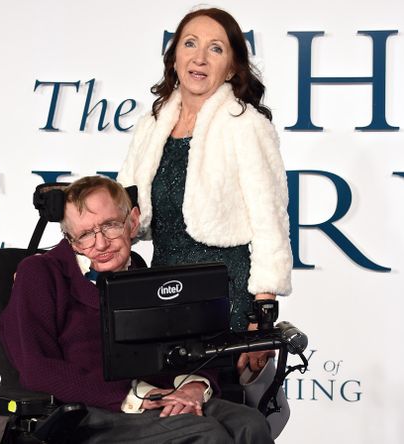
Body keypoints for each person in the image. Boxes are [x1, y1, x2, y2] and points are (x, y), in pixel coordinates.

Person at [0, 175, 274, 443]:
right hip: (92, 410)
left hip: (162, 395)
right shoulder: (40, 273)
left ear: (132, 222)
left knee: (250, 424)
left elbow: (187, 348)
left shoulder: (144, 276)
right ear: (70, 239)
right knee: (205, 435)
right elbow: (37, 368)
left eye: (110, 226)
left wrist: (193, 386)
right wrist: (135, 399)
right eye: (84, 235)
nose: (101, 244)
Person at [117, 7, 292, 375]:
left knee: (215, 410)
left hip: (226, 297)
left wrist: (261, 318)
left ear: (231, 67)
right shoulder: (150, 126)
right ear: (175, 56)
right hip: (162, 293)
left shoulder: (246, 125)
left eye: (215, 48)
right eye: (190, 44)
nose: (199, 57)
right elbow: (123, 212)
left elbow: (269, 223)